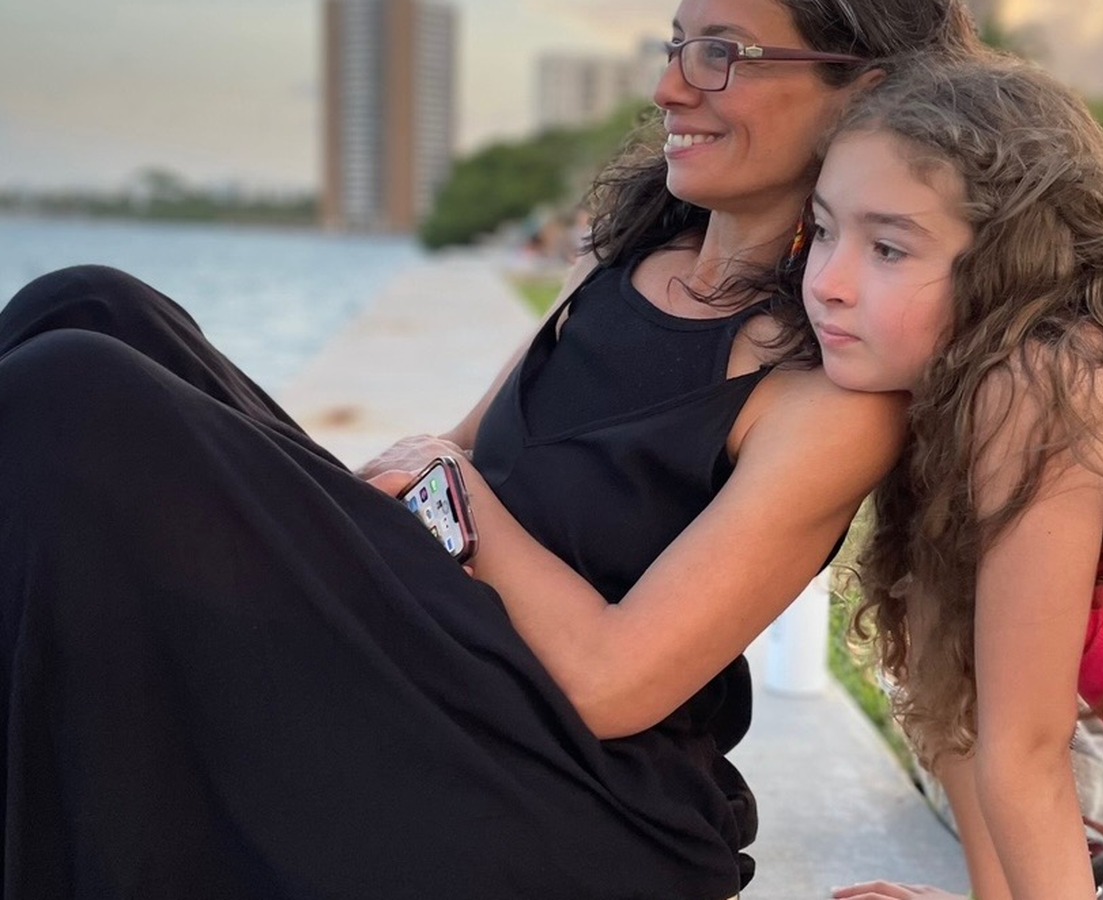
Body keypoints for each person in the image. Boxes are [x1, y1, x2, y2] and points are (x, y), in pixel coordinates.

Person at [0, 0, 980, 896]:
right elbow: (458, 448)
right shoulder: (636, 252)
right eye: (678, 45)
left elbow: (613, 682)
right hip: (430, 641)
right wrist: (333, 528)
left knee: (75, 387)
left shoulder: (826, 396)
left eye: (722, 55)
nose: (670, 86)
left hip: (552, 770)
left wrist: (452, 502)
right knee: (86, 302)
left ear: (863, 88)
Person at [774, 53, 1103, 900]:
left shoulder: (1045, 384)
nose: (828, 283)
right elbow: (959, 703)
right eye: (821, 231)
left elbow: (1026, 753)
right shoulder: (943, 402)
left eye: (888, 247)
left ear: (1010, 260)